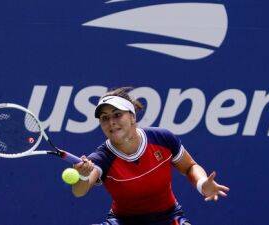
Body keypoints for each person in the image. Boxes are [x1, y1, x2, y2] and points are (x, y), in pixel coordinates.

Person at [72, 87, 230, 225]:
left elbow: (189, 167)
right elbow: (79, 191)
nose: (111, 122)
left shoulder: (162, 138)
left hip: (168, 217)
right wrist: (83, 176)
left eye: (117, 114)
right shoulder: (102, 157)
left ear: (132, 116)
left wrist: (202, 184)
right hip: (122, 221)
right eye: (104, 118)